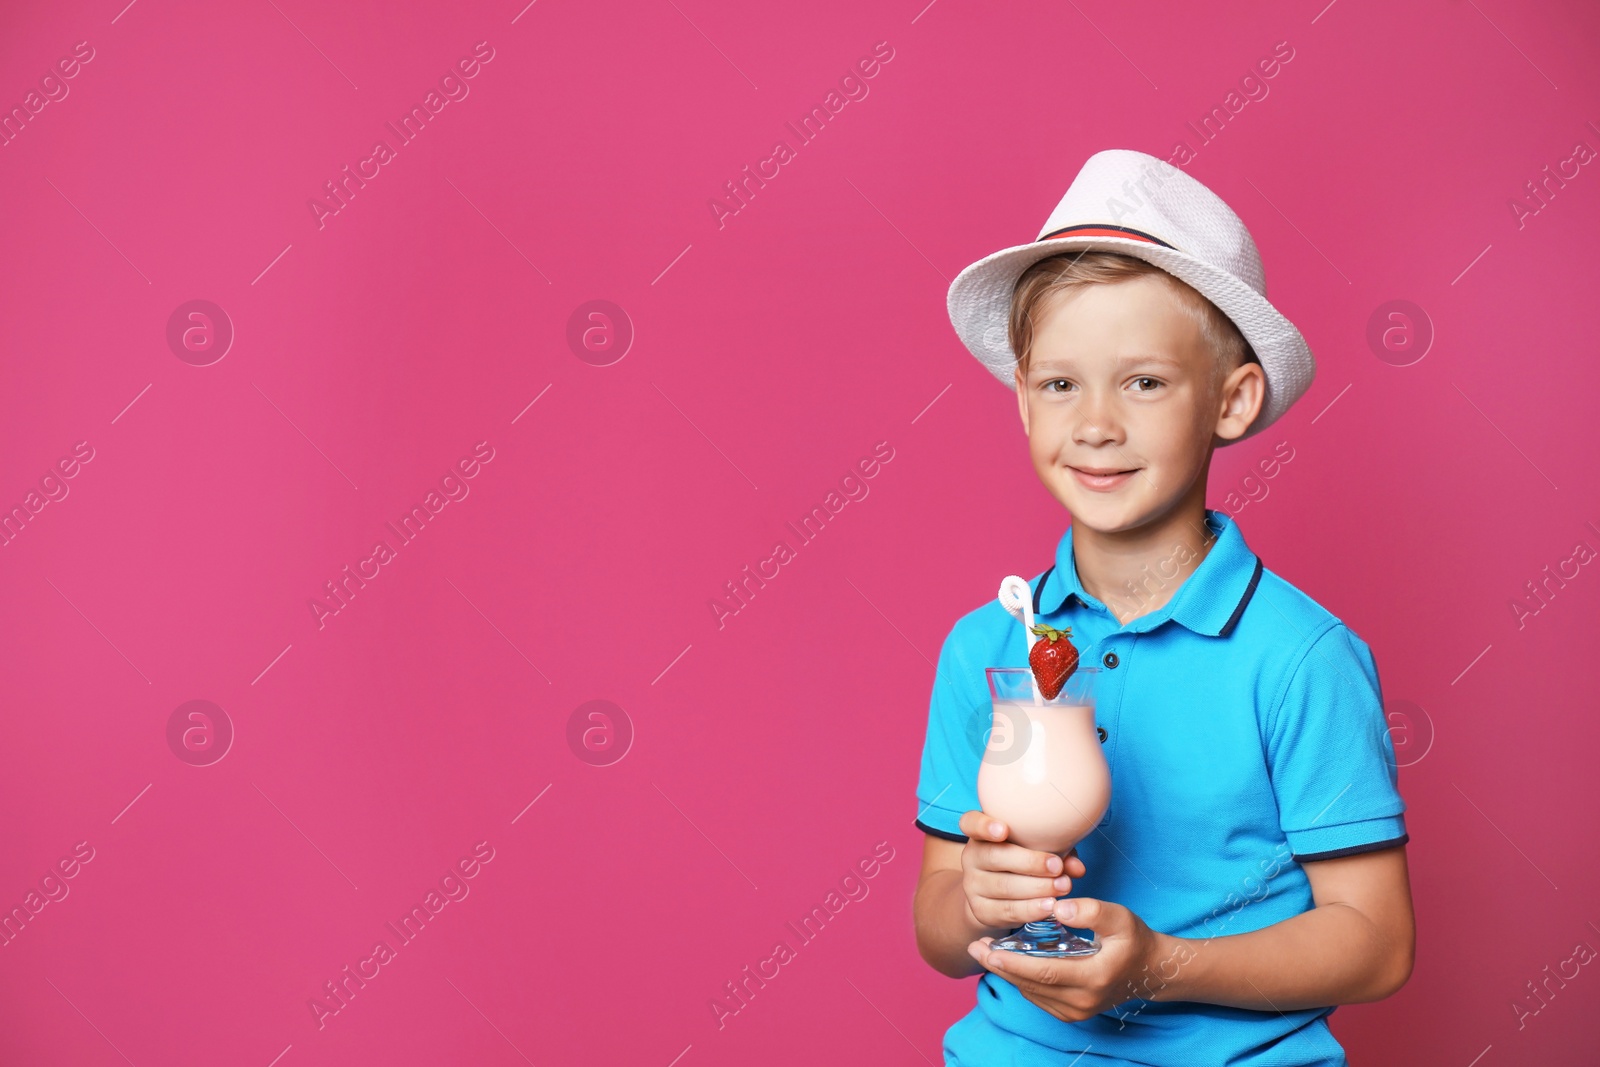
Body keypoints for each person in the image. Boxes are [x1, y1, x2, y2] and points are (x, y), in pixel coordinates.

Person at [912, 149, 1414, 1065]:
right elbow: (939, 929)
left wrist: (1160, 965)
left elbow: (1377, 941)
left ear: (1232, 399)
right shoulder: (984, 646)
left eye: (1143, 381)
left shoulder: (1299, 657)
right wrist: (977, 900)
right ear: (1024, 400)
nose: (1095, 422)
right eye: (1062, 383)